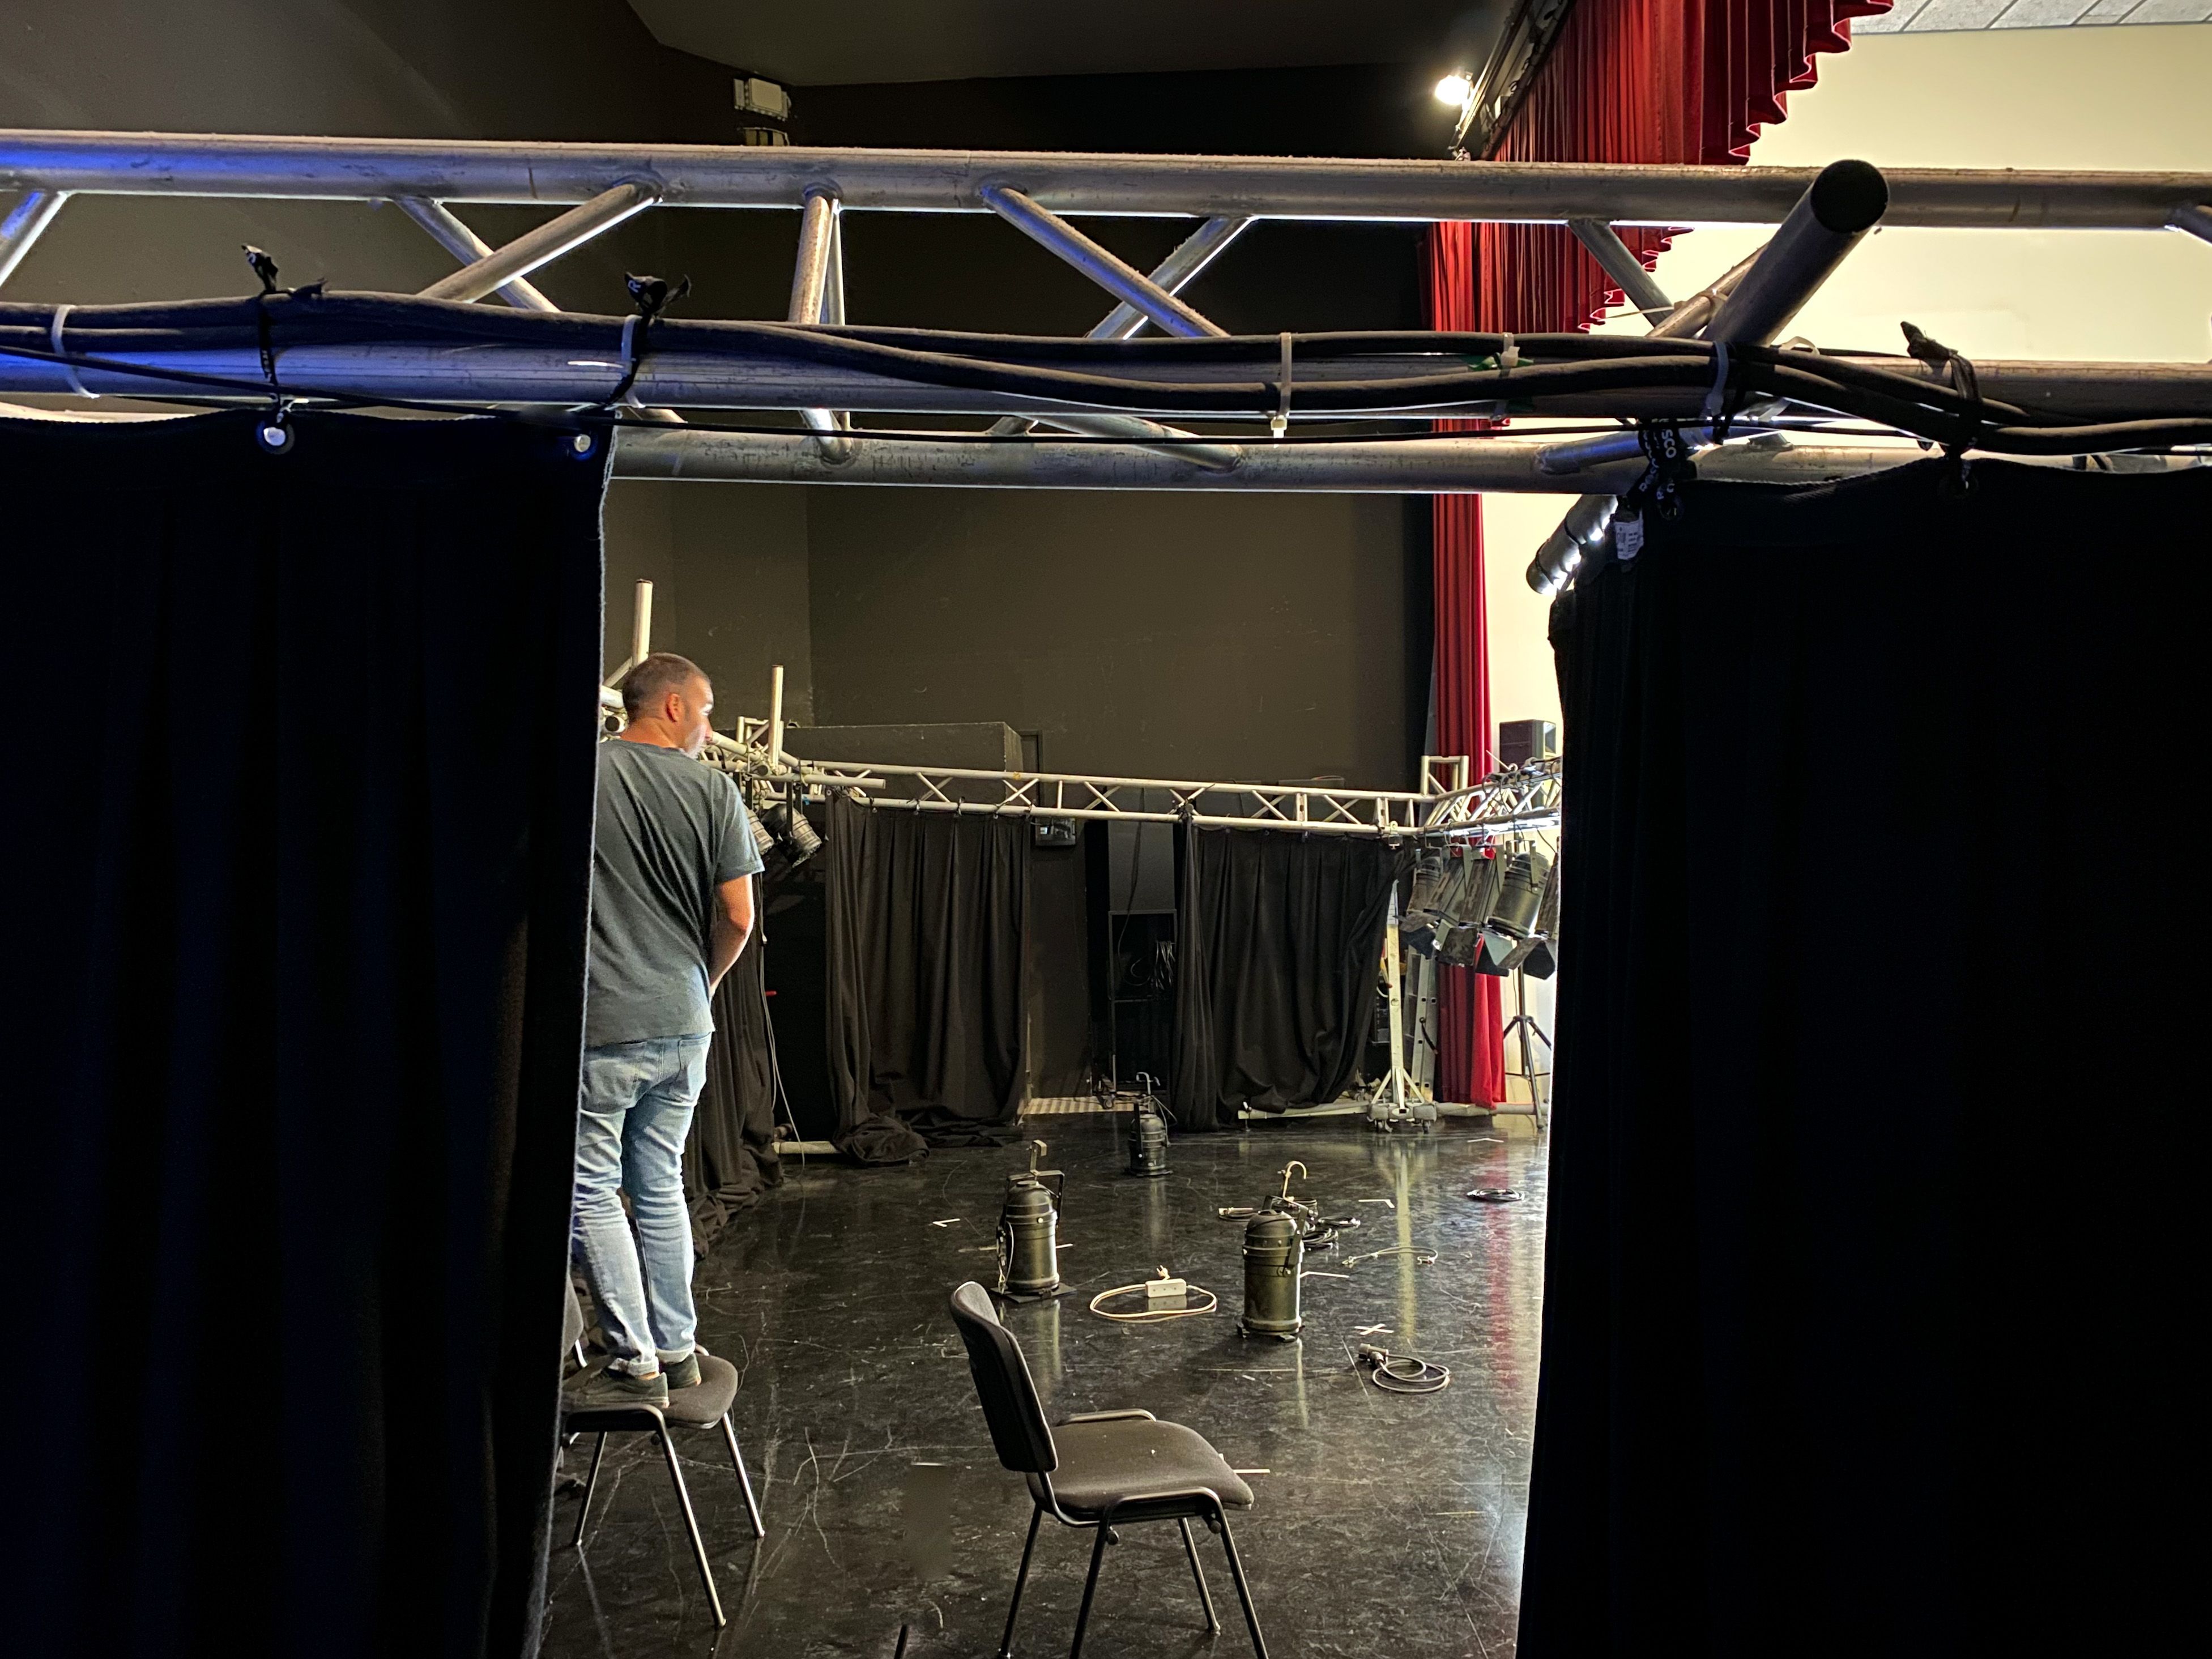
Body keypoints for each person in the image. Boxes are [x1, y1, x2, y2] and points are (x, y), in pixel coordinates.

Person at [568, 651, 761, 1408]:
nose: (712, 729)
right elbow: (739, 917)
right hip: (684, 1022)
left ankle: (636, 1356)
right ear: (672, 706)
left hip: (605, 1020)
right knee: (659, 1187)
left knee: (591, 1189)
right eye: (708, 710)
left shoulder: (586, 775)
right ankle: (679, 1346)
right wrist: (700, 985)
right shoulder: (714, 789)